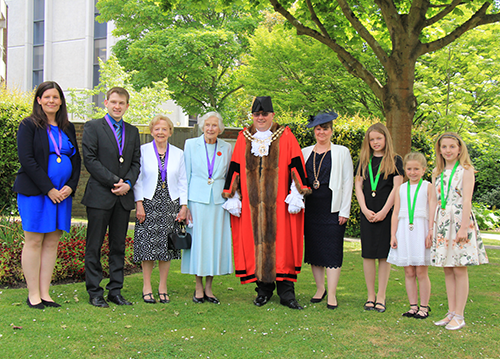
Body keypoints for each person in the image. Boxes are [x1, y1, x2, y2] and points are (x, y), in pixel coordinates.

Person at [222, 96, 311, 310]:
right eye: (256, 115)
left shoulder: (286, 136)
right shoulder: (244, 138)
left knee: (282, 247)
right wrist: (233, 195)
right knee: (256, 245)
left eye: (264, 114)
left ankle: (287, 294)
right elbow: (235, 166)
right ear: (253, 116)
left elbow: (296, 163)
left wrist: (296, 193)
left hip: (279, 204)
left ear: (272, 115)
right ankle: (263, 291)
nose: (260, 118)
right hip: (252, 205)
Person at [13, 81, 81, 309]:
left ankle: (45, 293)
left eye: (56, 97)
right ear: (39, 100)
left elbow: (76, 160)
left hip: (62, 194)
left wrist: (70, 186)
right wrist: (48, 189)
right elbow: (27, 160)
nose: (51, 101)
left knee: (52, 242)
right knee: (33, 241)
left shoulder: (67, 128)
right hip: (36, 192)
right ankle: (33, 294)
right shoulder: (29, 125)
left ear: (61, 101)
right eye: (47, 97)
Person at [82, 87, 141, 307]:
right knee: (94, 245)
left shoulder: (132, 131)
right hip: (99, 196)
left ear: (127, 105)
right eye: (113, 102)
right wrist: (114, 181)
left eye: (122, 103)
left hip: (122, 198)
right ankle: (95, 291)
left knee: (118, 246)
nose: (117, 106)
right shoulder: (93, 127)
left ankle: (115, 290)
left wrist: (127, 184)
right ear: (106, 103)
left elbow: (136, 163)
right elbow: (90, 159)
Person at [431, 132, 488, 330]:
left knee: (459, 268)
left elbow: (466, 200)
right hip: (442, 221)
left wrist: (464, 227)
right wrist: (432, 227)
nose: (448, 150)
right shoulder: (436, 172)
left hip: (458, 221)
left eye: (452, 147)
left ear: (459, 148)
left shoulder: (466, 170)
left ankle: (460, 315)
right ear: (439, 149)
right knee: (447, 268)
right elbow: (434, 201)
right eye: (444, 147)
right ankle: (451, 311)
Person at [301, 111, 353, 310]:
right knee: (314, 250)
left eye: (325, 129)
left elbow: (348, 182)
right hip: (311, 207)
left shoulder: (342, 152)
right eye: (318, 129)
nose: (321, 132)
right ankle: (320, 288)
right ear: (314, 131)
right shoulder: (305, 152)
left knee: (332, 250)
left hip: (333, 207)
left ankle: (332, 293)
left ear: (331, 131)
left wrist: (344, 211)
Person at [133, 115, 187, 304]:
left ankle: (162, 286)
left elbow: (183, 181)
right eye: (157, 129)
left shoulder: (179, 153)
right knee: (147, 246)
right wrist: (138, 203)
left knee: (167, 247)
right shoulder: (142, 151)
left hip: (171, 203)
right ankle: (146, 286)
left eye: (164, 129)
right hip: (148, 203)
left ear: (170, 132)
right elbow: (137, 179)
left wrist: (184, 206)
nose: (160, 132)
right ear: (151, 131)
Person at [181, 112, 232, 304]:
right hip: (197, 201)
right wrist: (184, 206)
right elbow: (185, 176)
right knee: (199, 244)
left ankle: (209, 288)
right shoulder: (190, 145)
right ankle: (198, 287)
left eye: (214, 125)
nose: (211, 129)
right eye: (207, 125)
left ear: (220, 129)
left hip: (218, 203)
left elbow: (229, 176)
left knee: (214, 244)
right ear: (202, 126)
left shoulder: (226, 147)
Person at [355, 123, 403, 313]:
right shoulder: (363, 160)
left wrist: (384, 211)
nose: (375, 142)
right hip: (368, 212)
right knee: (368, 254)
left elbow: (396, 188)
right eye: (372, 139)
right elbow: (358, 187)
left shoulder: (395, 160)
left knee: (384, 255)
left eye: (379, 138)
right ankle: (370, 295)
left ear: (386, 139)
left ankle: (381, 295)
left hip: (387, 213)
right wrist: (364, 209)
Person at [387, 152, 436, 319]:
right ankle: (412, 306)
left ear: (423, 170)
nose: (413, 172)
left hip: (421, 230)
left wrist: (430, 231)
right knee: (408, 272)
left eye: (416, 169)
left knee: (421, 272)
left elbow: (432, 210)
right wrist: (393, 235)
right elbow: (395, 213)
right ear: (405, 170)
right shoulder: (401, 188)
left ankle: (424, 306)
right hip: (404, 231)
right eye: (409, 169)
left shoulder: (428, 187)